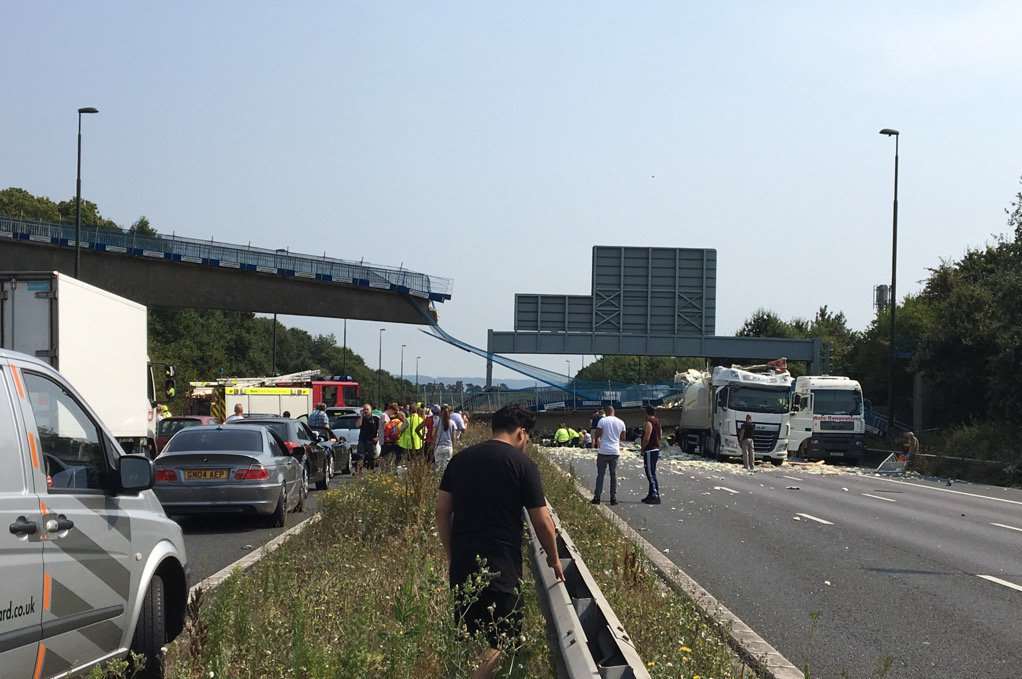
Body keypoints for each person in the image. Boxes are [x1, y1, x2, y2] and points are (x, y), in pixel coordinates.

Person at [436, 405, 563, 679]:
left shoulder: (460, 460)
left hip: (463, 563)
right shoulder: (523, 465)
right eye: (526, 437)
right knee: (503, 640)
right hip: (502, 565)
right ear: (521, 432)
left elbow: (442, 511)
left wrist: (452, 553)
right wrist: (554, 560)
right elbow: (542, 521)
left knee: (469, 639)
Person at [592, 406, 625, 505]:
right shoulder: (621, 422)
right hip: (615, 452)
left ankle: (597, 498)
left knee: (600, 475)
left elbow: (597, 434)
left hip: (603, 451)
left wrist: (602, 437)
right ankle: (613, 498)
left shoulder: (602, 421)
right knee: (613, 475)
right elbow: (623, 437)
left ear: (606, 412)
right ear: (614, 411)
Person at [641, 406, 662, 504]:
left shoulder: (649, 422)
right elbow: (660, 435)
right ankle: (650, 494)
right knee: (652, 472)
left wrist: (642, 448)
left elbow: (646, 437)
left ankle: (655, 494)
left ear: (647, 413)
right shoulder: (657, 421)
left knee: (650, 473)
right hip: (656, 449)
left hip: (650, 450)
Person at [356, 402, 380, 473]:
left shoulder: (376, 419)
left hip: (372, 440)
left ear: (371, 410)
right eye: (364, 409)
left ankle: (371, 471)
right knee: (360, 456)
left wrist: (377, 438)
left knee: (372, 457)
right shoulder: (361, 418)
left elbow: (382, 430)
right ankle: (359, 472)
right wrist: (361, 416)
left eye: (367, 409)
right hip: (362, 440)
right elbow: (357, 425)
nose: (365, 411)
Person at [433, 405, 456, 472]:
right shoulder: (452, 423)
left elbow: (433, 434)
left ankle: (437, 481)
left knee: (438, 467)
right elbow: (453, 438)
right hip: (449, 447)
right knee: (446, 468)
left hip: (439, 446)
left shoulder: (437, 422)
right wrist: (453, 447)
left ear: (440, 412)